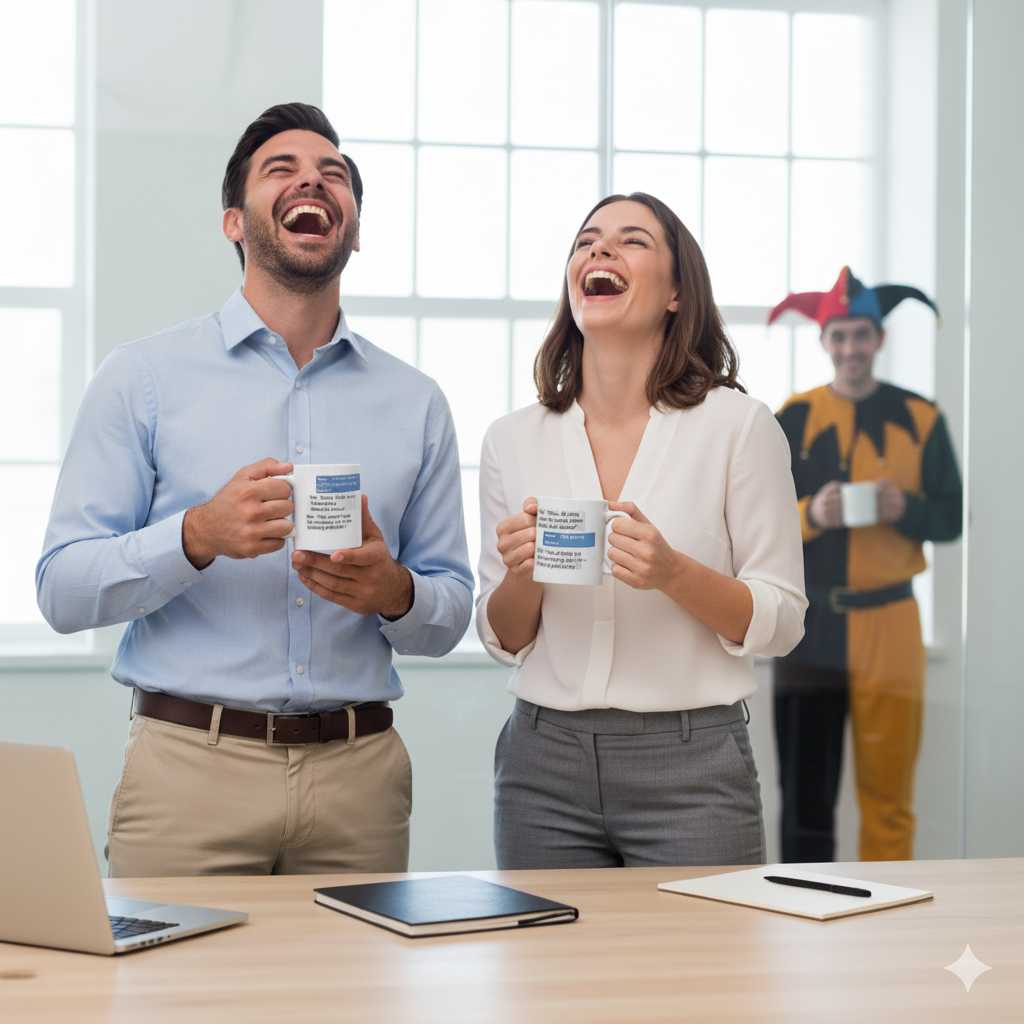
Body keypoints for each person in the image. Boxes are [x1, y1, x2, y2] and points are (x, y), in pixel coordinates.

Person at [36, 103, 473, 877]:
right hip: (187, 778)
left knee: (350, 1002)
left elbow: (449, 614)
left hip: (360, 784)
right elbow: (63, 592)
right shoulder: (140, 378)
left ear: (355, 230)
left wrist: (395, 591)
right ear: (235, 222)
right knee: (171, 1001)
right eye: (284, 170)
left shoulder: (417, 402)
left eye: (332, 175)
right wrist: (194, 537)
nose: (313, 180)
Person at [476, 193, 807, 869]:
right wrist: (520, 572)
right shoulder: (512, 439)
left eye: (631, 241)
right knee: (546, 975)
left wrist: (673, 574)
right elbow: (504, 638)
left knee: (702, 976)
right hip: (542, 767)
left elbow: (784, 621)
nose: (600, 250)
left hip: (693, 772)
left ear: (678, 292)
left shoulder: (739, 429)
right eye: (587, 241)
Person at [770, 266, 962, 862]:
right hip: (809, 625)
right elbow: (752, 523)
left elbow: (952, 519)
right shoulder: (792, 417)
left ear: (879, 339)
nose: (850, 347)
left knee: (889, 795)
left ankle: (888, 929)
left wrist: (907, 508)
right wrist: (810, 514)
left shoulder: (922, 417)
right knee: (804, 796)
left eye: (861, 334)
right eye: (839, 336)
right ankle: (803, 920)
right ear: (824, 342)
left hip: (891, 622)